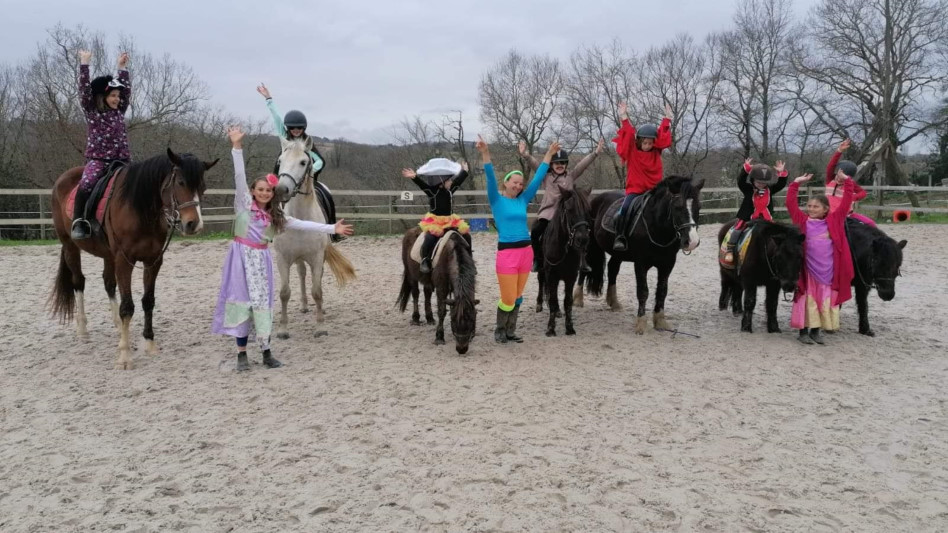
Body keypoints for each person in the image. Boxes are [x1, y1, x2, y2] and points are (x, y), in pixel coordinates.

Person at [212, 126, 354, 371]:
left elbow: (301, 222)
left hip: (262, 259)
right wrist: (236, 147)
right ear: (253, 192)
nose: (265, 194)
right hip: (240, 259)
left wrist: (332, 229)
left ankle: (266, 352)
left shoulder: (275, 216)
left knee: (264, 304)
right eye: (261, 190)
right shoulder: (243, 204)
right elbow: (238, 175)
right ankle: (241, 354)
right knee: (241, 304)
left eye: (268, 191)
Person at [476, 134, 560, 344]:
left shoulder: (523, 199)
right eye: (515, 182)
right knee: (507, 297)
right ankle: (499, 330)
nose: (519, 186)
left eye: (521, 183)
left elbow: (539, 176)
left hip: (526, 252)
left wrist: (549, 154)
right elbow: (489, 177)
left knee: (519, 294)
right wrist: (485, 153)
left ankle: (511, 330)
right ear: (506, 183)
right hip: (507, 254)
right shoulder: (496, 200)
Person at [256, 83, 342, 240]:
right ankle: (269, 230)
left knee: (326, 194)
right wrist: (269, 98)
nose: (296, 130)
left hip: (304, 179)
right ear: (288, 128)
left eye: (299, 128)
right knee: (267, 195)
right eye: (293, 128)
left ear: (304, 128)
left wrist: (308, 173)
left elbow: (320, 162)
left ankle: (332, 233)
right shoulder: (284, 136)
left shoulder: (307, 143)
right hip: (283, 176)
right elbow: (276, 117)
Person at [785, 173, 855, 345]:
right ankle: (803, 331)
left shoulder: (835, 221)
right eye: (809, 206)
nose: (811, 209)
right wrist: (796, 183)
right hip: (808, 271)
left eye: (816, 207)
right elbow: (790, 204)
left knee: (822, 300)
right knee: (806, 298)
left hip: (828, 270)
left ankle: (816, 331)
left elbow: (847, 201)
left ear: (826, 209)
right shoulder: (802, 221)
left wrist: (847, 181)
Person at [519, 138, 604, 272]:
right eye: (557, 163)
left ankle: (582, 260)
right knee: (535, 231)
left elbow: (582, 165)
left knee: (583, 232)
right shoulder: (546, 177)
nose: (560, 165)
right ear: (551, 164)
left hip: (567, 213)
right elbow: (536, 165)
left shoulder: (570, 176)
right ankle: (537, 259)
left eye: (563, 163)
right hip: (548, 213)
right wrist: (526, 155)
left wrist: (595, 153)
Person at [72, 50, 131, 240]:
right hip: (99, 160)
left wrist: (122, 67)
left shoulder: (119, 111)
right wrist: (84, 64)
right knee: (87, 183)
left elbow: (127, 91)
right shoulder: (92, 112)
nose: (117, 99)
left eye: (118, 96)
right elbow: (84, 91)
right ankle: (79, 220)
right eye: (113, 95)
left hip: (122, 160)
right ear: (102, 97)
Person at [611, 102, 674, 251]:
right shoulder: (632, 150)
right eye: (644, 142)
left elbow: (664, 137)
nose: (647, 145)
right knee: (625, 208)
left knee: (672, 206)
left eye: (650, 143)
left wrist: (667, 119)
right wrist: (624, 117)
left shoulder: (656, 151)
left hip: (655, 189)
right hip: (636, 190)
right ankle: (620, 237)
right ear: (639, 141)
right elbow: (627, 134)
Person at [402, 158, 472, 274]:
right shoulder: (432, 192)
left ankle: (468, 260)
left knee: (466, 235)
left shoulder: (450, 191)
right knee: (430, 238)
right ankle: (426, 260)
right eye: (449, 180)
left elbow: (459, 181)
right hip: (435, 222)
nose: (451, 182)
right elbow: (422, 185)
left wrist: (464, 171)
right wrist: (414, 177)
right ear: (442, 181)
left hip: (450, 220)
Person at [720, 158, 788, 265]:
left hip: (766, 219)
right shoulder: (747, 189)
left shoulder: (770, 190)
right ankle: (730, 250)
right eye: (758, 182)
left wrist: (781, 172)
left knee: (778, 233)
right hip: (748, 218)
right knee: (736, 231)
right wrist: (745, 170)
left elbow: (781, 184)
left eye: (764, 183)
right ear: (753, 180)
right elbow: (741, 181)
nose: (761, 184)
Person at [826, 139, 875, 226]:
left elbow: (863, 193)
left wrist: (852, 197)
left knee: (871, 223)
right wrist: (839, 151)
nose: (840, 179)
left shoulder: (849, 184)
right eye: (839, 175)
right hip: (830, 215)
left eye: (843, 178)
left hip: (847, 215)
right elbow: (831, 166)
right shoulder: (830, 179)